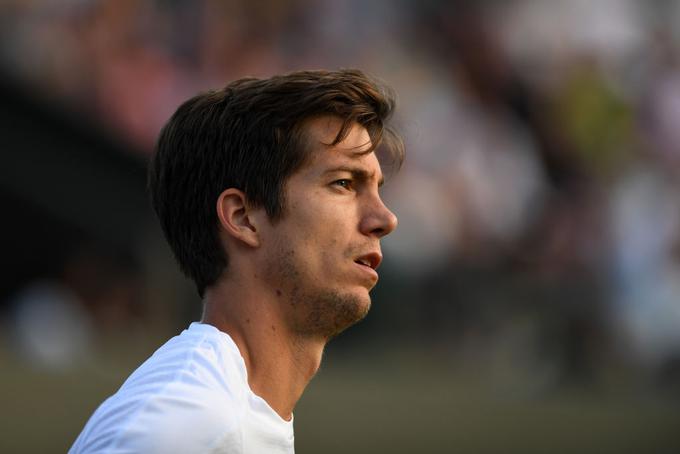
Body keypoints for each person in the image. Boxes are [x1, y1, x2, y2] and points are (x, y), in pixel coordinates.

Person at [70, 69, 403, 453]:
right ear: (243, 218)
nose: (385, 219)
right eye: (344, 183)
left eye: (377, 189)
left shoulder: (223, 414)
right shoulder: (185, 421)